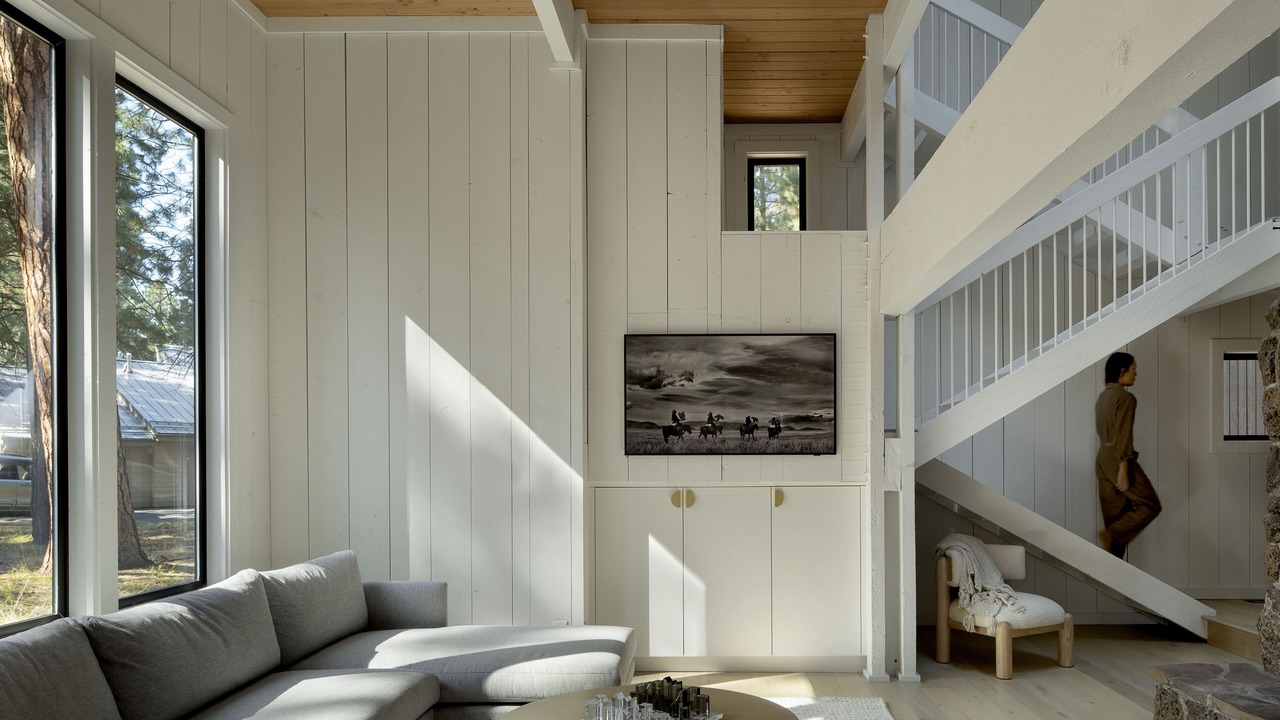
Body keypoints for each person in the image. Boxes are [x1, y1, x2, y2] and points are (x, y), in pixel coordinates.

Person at [1095, 352, 1162, 558]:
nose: (1136, 374)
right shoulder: (1126, 398)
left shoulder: (1103, 396)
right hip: (1117, 457)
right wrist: (1124, 466)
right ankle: (1111, 534)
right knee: (1150, 505)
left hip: (1102, 457)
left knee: (1116, 518)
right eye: (1134, 369)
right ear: (1122, 372)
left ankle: (1113, 576)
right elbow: (1123, 433)